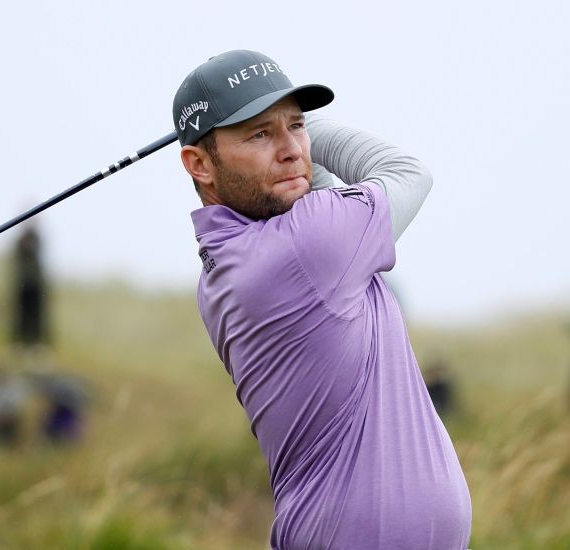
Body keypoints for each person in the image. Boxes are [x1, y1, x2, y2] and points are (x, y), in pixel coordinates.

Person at [174, 50, 471, 549]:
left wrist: (276, 127)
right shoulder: (303, 248)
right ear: (199, 164)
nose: (291, 149)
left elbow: (317, 192)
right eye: (260, 133)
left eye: (297, 126)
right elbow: (407, 173)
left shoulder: (229, 264)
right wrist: (304, 126)